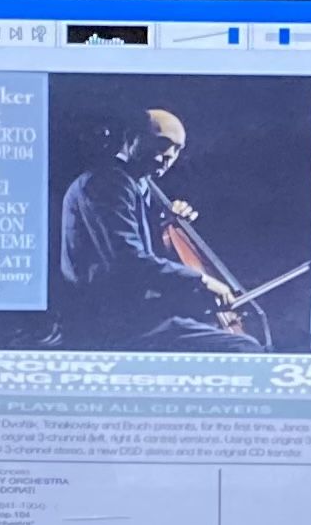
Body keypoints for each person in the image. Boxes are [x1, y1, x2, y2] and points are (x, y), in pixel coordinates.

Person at [59, 109, 261, 351]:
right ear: (131, 137)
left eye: (177, 149)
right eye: (162, 143)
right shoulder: (108, 182)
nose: (169, 155)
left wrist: (166, 222)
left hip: (135, 314)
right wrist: (202, 280)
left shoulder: (138, 185)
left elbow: (139, 246)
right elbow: (129, 261)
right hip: (112, 323)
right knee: (244, 348)